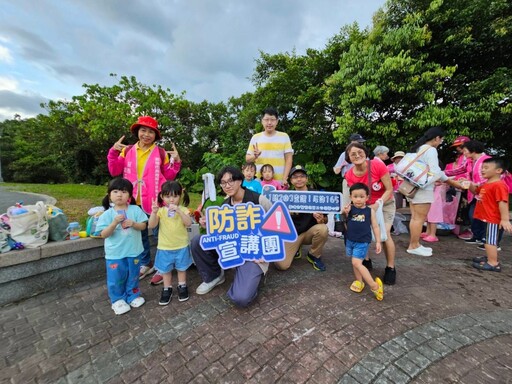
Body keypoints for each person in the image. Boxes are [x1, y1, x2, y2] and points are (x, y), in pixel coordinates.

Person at [107, 116, 182, 285]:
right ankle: (146, 262)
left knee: (160, 233)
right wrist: (113, 151)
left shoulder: (161, 152)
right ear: (137, 132)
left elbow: (169, 175)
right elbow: (114, 170)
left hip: (155, 200)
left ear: (156, 135)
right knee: (139, 233)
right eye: (143, 130)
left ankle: (164, 266)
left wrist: (176, 162)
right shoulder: (127, 151)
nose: (146, 134)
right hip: (132, 199)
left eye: (151, 131)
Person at [190, 166, 272, 307]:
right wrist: (209, 225)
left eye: (231, 181)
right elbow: (222, 233)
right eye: (223, 183)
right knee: (198, 241)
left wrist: (266, 253)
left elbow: (277, 227)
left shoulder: (259, 200)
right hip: (233, 249)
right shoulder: (224, 206)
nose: (227, 186)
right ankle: (214, 276)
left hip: (254, 253)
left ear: (240, 181)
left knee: (241, 298)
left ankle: (251, 278)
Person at [344, 143, 397, 285]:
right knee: (362, 231)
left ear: (366, 153)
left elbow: (389, 189)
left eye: (359, 152)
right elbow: (353, 195)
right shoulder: (349, 175)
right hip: (364, 207)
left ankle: (390, 267)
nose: (357, 156)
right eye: (352, 154)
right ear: (348, 158)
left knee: (384, 234)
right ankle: (365, 260)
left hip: (384, 204)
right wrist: (348, 207)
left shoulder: (377, 165)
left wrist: (378, 203)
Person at [96, 177, 148, 315]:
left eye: (124, 192)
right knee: (116, 277)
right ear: (109, 195)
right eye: (115, 191)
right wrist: (113, 224)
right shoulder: (107, 215)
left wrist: (134, 224)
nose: (119, 194)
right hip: (115, 254)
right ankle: (117, 300)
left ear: (130, 196)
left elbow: (143, 226)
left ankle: (133, 295)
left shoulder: (135, 210)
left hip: (134, 251)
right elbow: (103, 234)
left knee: (133, 276)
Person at [405, 127, 459, 257]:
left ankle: (415, 244)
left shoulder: (419, 148)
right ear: (436, 138)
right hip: (423, 189)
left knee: (415, 218)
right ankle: (413, 245)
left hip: (413, 188)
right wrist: (451, 181)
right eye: (441, 139)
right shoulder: (431, 150)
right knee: (419, 219)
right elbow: (436, 172)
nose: (441, 142)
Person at [274, 165, 329, 272]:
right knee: (281, 265)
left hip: (309, 232)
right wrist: (286, 214)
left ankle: (314, 255)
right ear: (290, 180)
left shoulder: (317, 195)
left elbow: (325, 220)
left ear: (307, 179)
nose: (299, 179)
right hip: (292, 235)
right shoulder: (286, 197)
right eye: (295, 177)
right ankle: (296, 249)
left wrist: (321, 219)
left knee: (323, 229)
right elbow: (277, 221)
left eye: (302, 176)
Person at [148, 181, 192, 305]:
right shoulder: (161, 211)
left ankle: (182, 286)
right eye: (168, 196)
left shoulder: (183, 209)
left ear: (180, 196)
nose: (171, 200)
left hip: (181, 246)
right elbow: (152, 225)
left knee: (181, 268)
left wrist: (179, 211)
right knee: (165, 270)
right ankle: (167, 288)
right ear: (162, 197)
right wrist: (154, 212)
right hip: (164, 247)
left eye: (175, 196)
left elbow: (188, 223)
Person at [466, 158, 512, 272]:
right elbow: (476, 191)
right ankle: (490, 257)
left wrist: (505, 219)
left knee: (490, 241)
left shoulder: (499, 185)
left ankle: (493, 263)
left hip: (492, 219)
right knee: (487, 240)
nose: (482, 170)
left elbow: (503, 202)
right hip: (486, 218)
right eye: (482, 167)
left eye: (486, 168)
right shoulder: (487, 183)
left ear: (498, 170)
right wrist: (469, 185)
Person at [343, 183, 384, 301]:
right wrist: (345, 212)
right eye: (355, 196)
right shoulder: (349, 208)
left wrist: (378, 241)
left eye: (361, 196)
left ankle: (374, 286)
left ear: (367, 197)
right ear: (351, 197)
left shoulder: (369, 211)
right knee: (355, 262)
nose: (358, 199)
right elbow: (342, 215)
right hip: (350, 240)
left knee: (356, 263)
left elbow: (375, 227)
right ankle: (359, 281)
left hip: (362, 242)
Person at [246, 108, 294, 188]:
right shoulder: (255, 137)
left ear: (277, 121)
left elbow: (289, 159)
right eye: (266, 119)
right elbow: (247, 159)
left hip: (279, 183)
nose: (269, 123)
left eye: (272, 120)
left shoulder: (284, 136)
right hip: (259, 183)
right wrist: (255, 156)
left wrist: (284, 179)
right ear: (262, 121)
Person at [460, 140, 491, 245]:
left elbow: (492, 177)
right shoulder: (470, 161)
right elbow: (460, 170)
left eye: (465, 150)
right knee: (473, 215)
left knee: (484, 217)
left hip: (485, 193)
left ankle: (485, 238)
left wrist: (476, 183)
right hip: (474, 193)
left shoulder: (487, 160)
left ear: (473, 150)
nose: (463, 153)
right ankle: (477, 236)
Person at [444, 135, 472, 239]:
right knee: (463, 209)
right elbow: (460, 170)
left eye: (459, 146)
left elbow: (463, 172)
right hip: (463, 186)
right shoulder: (463, 157)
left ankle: (471, 231)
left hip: (470, 188)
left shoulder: (473, 158)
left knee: (469, 210)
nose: (457, 148)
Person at [333, 133, 366, 208]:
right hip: (348, 181)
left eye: (361, 142)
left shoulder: (363, 154)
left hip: (362, 180)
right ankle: (346, 219)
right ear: (352, 142)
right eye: (359, 142)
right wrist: (341, 166)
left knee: (362, 203)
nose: (361, 144)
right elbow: (336, 171)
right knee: (346, 203)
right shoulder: (344, 154)